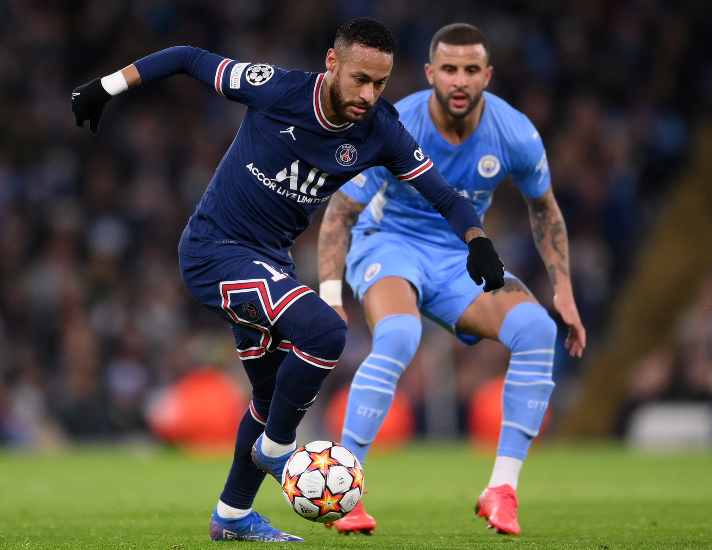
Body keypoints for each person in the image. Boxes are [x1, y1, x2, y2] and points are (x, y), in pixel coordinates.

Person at [71, 18, 505, 543]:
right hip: (215, 250)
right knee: (325, 333)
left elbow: (444, 195)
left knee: (270, 392)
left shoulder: (381, 130)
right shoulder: (276, 89)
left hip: (268, 261)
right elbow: (186, 55)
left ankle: (231, 515)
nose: (368, 94)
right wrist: (106, 87)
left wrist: (477, 240)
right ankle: (277, 449)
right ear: (331, 63)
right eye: (359, 79)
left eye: (380, 84)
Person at [317, 23, 586, 536]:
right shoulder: (398, 123)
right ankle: (344, 488)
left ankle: (502, 490)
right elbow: (340, 214)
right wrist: (331, 294)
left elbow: (544, 211)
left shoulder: (514, 132)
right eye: (449, 69)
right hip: (389, 243)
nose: (459, 81)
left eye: (469, 70)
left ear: (486, 75)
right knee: (399, 335)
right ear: (430, 74)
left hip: (459, 256)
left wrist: (564, 291)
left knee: (537, 332)